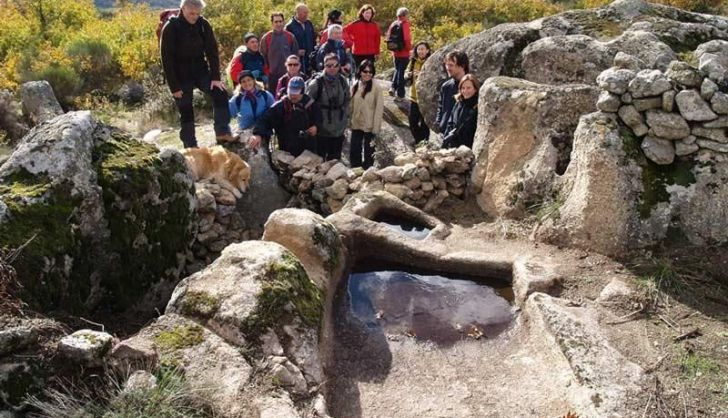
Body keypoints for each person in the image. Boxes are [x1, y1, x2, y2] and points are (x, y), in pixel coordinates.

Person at [160, 0, 232, 147]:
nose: (195, 17)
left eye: (198, 14)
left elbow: (212, 51)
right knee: (186, 108)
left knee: (220, 92)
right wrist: (174, 87)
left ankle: (222, 132)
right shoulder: (171, 27)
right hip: (180, 74)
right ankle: (190, 145)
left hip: (200, 70)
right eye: (191, 13)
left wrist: (215, 78)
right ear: (183, 9)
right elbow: (166, 60)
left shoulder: (203, 24)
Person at [250, 77, 320, 157]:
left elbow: (319, 119)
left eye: (296, 93)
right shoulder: (280, 105)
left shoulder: (311, 104)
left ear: (302, 92)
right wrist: (258, 134)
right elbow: (265, 119)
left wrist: (316, 127)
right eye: (291, 93)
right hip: (287, 148)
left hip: (308, 148)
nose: (293, 96)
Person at [306, 53, 350, 160]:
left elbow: (347, 101)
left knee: (335, 161)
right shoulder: (316, 83)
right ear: (324, 66)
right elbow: (307, 106)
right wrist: (312, 124)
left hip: (338, 129)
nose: (332, 68)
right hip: (321, 130)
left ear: (339, 66)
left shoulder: (343, 81)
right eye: (328, 65)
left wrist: (346, 120)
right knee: (319, 161)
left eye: (335, 65)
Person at [349, 60, 383, 169]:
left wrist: (376, 128)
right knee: (355, 149)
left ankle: (367, 172)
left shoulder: (376, 87)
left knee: (369, 152)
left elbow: (379, 108)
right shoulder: (355, 85)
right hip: (356, 123)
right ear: (360, 71)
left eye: (370, 72)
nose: (368, 74)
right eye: (365, 71)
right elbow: (351, 105)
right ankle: (355, 169)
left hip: (370, 125)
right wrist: (348, 120)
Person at [261, 12, 299, 93]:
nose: (278, 24)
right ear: (272, 23)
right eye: (276, 22)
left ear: (283, 22)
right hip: (272, 76)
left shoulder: (290, 37)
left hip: (288, 75)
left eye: (280, 21)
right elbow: (262, 57)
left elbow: (295, 55)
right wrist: (267, 72)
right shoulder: (266, 38)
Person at [229, 70, 275, 135]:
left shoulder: (265, 95)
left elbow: (274, 112)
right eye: (243, 81)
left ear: (254, 80)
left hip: (263, 130)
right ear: (240, 84)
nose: (247, 83)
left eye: (249, 80)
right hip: (245, 131)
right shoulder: (237, 99)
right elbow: (227, 114)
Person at [435, 50, 469, 134]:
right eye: (446, 64)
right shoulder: (446, 86)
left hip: (463, 136)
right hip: (445, 133)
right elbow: (441, 107)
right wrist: (439, 123)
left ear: (462, 66)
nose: (447, 68)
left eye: (451, 65)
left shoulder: (472, 86)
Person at [442, 74, 480, 149]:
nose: (465, 91)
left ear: (475, 89)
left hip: (469, 147)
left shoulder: (478, 106)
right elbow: (450, 123)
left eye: (468, 88)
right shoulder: (459, 103)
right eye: (463, 88)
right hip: (453, 146)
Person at [405, 41, 431, 144]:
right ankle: (419, 140)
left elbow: (432, 77)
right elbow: (406, 73)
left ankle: (424, 142)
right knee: (412, 122)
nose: (420, 51)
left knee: (425, 123)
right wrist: (409, 74)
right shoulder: (412, 61)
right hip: (413, 96)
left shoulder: (430, 62)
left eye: (423, 49)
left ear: (427, 50)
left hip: (425, 98)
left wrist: (421, 75)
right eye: (419, 49)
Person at [386, 7, 412, 101]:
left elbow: (388, 36)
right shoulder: (405, 24)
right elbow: (407, 39)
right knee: (401, 73)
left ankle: (392, 87)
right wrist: (409, 50)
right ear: (405, 15)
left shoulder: (394, 23)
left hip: (395, 52)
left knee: (397, 70)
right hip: (404, 53)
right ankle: (400, 95)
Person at [343, 4, 381, 70]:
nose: (368, 15)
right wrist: (350, 42)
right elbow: (344, 31)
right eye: (366, 13)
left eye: (370, 13)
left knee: (369, 71)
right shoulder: (355, 24)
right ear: (362, 13)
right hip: (358, 53)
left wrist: (377, 52)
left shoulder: (374, 25)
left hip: (370, 54)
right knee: (358, 72)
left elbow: (377, 40)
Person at [285, 3, 316, 74]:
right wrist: (296, 51)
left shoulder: (309, 23)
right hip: (297, 60)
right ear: (297, 12)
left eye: (307, 12)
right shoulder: (289, 26)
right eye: (304, 13)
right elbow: (286, 45)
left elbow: (313, 38)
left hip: (309, 58)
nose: (306, 15)